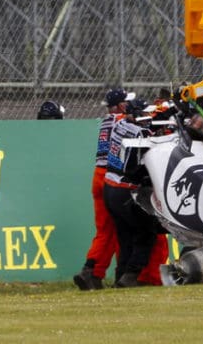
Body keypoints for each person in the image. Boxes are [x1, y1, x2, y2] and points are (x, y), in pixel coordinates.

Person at [102, 98, 167, 287]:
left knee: (125, 238)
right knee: (147, 233)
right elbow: (151, 134)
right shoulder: (139, 132)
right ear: (136, 113)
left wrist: (164, 115)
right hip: (125, 191)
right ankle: (131, 275)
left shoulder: (120, 123)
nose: (148, 116)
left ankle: (120, 277)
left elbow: (149, 126)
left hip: (109, 188)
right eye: (145, 113)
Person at [73, 88, 131, 290]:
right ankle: (101, 271)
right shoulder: (122, 120)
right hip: (111, 176)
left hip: (98, 175)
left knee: (106, 230)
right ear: (121, 105)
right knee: (119, 229)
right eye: (126, 102)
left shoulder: (107, 121)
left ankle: (93, 272)